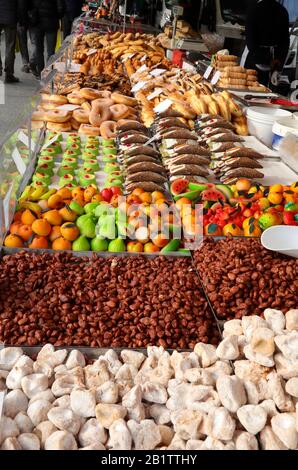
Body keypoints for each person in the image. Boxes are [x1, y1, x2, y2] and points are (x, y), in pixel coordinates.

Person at [243, 0, 290, 86]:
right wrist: (277, 66)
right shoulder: (283, 11)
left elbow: (250, 41)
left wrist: (273, 64)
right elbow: (285, 43)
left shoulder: (253, 10)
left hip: (257, 58)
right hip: (270, 59)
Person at [30, 0, 65, 77]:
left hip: (37, 23)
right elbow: (61, 8)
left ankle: (40, 73)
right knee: (51, 51)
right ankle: (48, 73)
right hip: (52, 23)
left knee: (39, 50)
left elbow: (29, 5)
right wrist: (56, 15)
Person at [0, 0, 27, 83]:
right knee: (10, 46)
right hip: (10, 18)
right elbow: (21, 4)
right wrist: (22, 20)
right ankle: (9, 74)